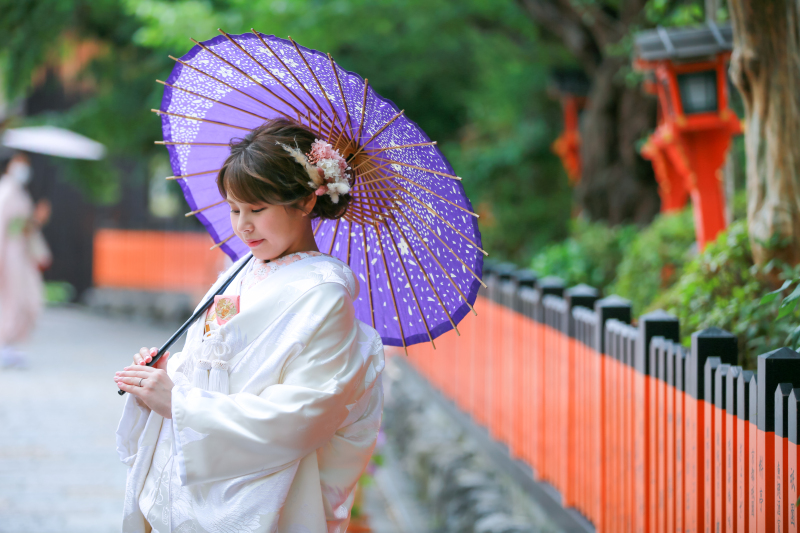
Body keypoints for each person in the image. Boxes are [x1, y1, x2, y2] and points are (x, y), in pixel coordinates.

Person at [114, 119, 385, 533]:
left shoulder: (325, 294)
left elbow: (302, 414)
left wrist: (181, 404)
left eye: (257, 209)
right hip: (197, 476)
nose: (243, 226)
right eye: (235, 209)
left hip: (260, 493)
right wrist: (169, 373)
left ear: (307, 202)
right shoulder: (241, 269)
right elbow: (215, 358)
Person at [0, 149, 50, 368]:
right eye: (19, 162)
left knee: (27, 298)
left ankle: (10, 343)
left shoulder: (19, 191)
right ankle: (4, 343)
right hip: (8, 253)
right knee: (11, 298)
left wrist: (37, 220)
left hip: (20, 253)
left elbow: (25, 229)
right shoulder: (6, 191)